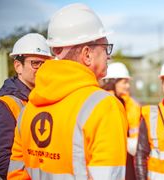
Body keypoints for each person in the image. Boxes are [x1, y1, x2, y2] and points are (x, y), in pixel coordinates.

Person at [8, 3, 127, 180]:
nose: (109, 55)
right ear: (87, 54)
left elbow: (16, 173)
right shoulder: (104, 107)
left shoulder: (28, 110)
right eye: (105, 47)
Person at [0, 33, 52, 180]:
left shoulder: (43, 98)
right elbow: (4, 162)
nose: (41, 69)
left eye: (45, 64)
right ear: (18, 66)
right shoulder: (6, 104)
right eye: (35, 63)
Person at [102, 62, 141, 180]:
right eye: (124, 82)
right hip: (110, 156)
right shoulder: (105, 103)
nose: (127, 86)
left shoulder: (127, 103)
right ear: (113, 82)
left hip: (127, 154)